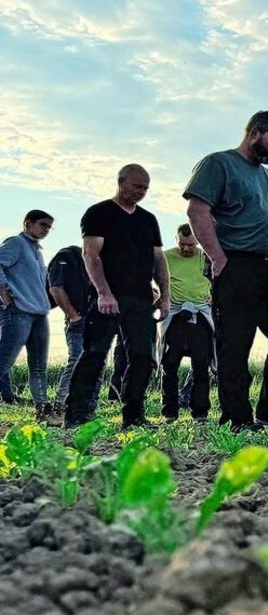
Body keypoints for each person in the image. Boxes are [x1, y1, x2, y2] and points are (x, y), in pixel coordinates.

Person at [185, 110, 268, 431]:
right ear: (255, 133)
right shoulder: (219, 163)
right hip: (238, 265)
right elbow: (197, 211)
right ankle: (237, 417)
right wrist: (217, 258)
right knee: (236, 342)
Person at [64, 166, 169, 429]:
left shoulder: (148, 219)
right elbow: (91, 254)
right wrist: (104, 293)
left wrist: (165, 295)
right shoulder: (99, 213)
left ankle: (133, 416)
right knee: (95, 354)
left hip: (141, 299)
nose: (141, 192)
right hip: (107, 298)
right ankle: (76, 415)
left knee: (143, 357)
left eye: (145, 188)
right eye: (136, 186)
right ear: (121, 182)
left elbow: (158, 258)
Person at [0, 210, 55, 417]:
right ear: (28, 223)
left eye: (49, 227)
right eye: (42, 225)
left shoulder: (37, 252)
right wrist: (4, 292)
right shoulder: (15, 243)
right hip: (18, 311)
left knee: (39, 364)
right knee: (5, 360)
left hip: (39, 313)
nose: (46, 230)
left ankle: (42, 408)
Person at [158, 224, 214, 421]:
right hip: (174, 314)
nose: (187, 248)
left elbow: (221, 278)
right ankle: (170, 412)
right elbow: (150, 279)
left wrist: (214, 296)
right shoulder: (165, 257)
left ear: (198, 240)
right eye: (182, 244)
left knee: (201, 364)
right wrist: (159, 296)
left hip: (200, 314)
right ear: (176, 239)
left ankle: (200, 413)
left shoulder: (207, 256)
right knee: (170, 363)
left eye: (191, 245)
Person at [47, 243, 94, 414]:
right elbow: (55, 288)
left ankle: (86, 407)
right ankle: (61, 405)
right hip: (78, 320)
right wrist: (73, 315)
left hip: (94, 321)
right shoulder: (66, 257)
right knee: (77, 358)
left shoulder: (97, 261)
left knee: (96, 363)